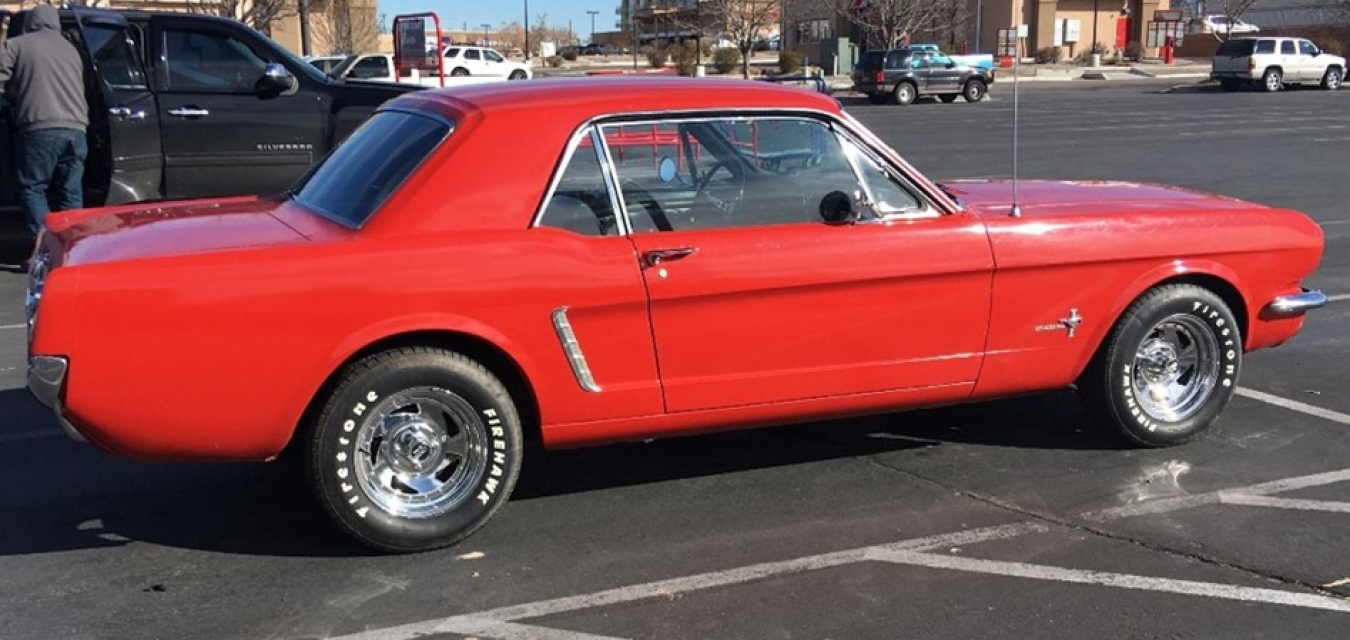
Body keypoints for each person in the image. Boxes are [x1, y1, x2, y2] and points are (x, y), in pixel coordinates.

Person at [0, 4, 89, 235]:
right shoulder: (72, 50)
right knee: (70, 192)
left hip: (40, 128)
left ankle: (46, 248)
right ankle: (72, 245)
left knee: (32, 188)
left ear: (31, 22)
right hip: (77, 131)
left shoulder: (17, 45)